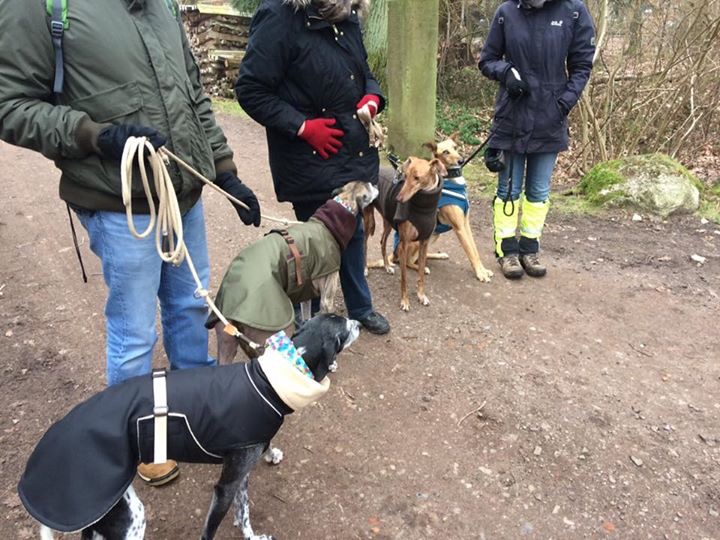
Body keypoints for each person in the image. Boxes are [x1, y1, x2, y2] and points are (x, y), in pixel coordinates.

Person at [0, 0, 261, 485]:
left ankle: (196, 413)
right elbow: (10, 106)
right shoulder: (41, 6)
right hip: (117, 203)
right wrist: (94, 136)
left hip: (182, 197)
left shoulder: (161, 5)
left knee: (190, 306)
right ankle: (141, 435)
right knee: (135, 330)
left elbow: (193, 96)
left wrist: (225, 172)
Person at [235, 0, 391, 335]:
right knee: (314, 242)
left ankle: (360, 307)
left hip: (352, 150)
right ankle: (310, 322)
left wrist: (373, 97)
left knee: (353, 230)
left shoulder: (347, 14)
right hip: (310, 156)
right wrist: (303, 127)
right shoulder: (279, 15)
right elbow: (250, 89)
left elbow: (364, 73)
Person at [479, 0, 595, 279]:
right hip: (512, 114)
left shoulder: (574, 11)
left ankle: (530, 249)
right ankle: (507, 251)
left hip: (550, 117)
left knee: (539, 191)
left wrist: (564, 103)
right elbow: (487, 60)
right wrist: (506, 73)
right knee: (508, 189)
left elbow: (582, 65)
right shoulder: (507, 12)